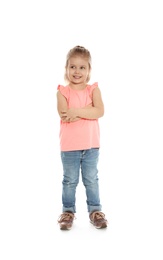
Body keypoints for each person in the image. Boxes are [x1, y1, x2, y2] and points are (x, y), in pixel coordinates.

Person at [57, 45, 108, 230]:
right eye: (72, 67)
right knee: (69, 180)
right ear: (66, 68)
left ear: (88, 70)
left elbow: (100, 111)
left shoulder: (93, 90)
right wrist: (88, 111)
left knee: (91, 179)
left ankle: (95, 210)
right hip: (69, 146)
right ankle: (68, 211)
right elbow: (64, 114)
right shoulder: (63, 91)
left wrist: (76, 112)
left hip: (91, 145)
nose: (77, 71)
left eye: (82, 67)